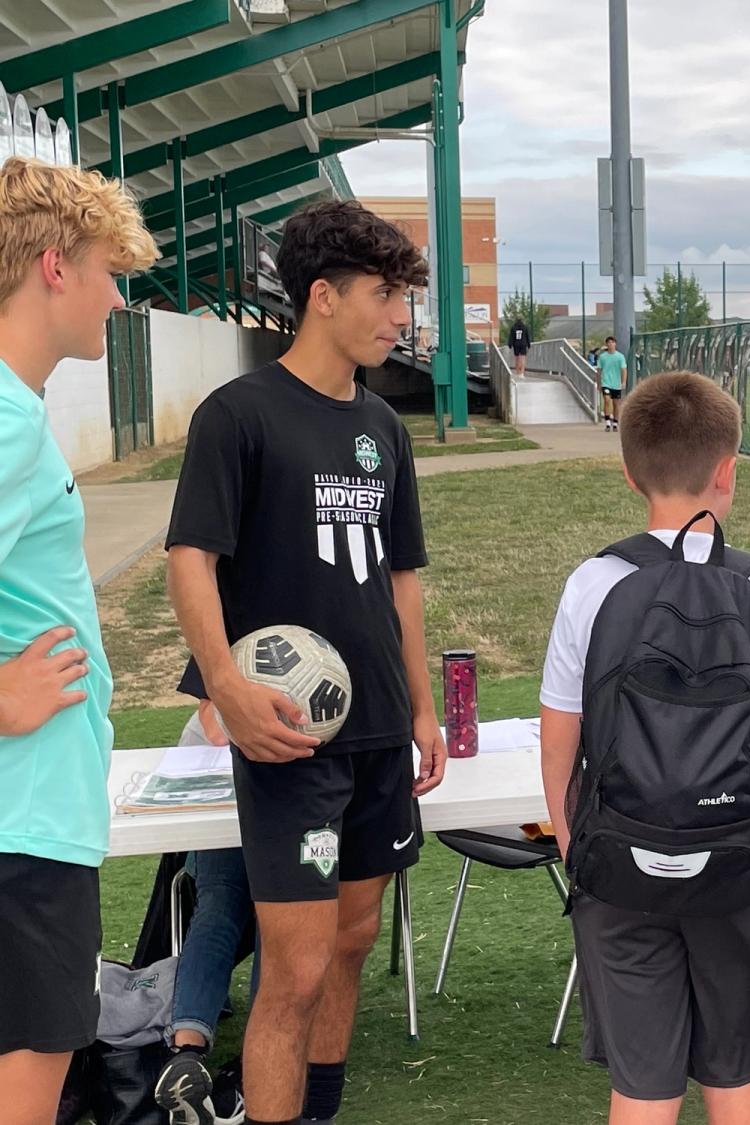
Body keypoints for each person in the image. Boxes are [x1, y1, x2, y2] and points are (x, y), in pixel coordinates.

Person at [165, 200, 445, 1125]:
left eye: (402, 296)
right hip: (292, 744)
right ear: (322, 297)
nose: (399, 316)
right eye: (384, 294)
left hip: (376, 738)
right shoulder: (238, 416)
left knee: (356, 940)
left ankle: (315, 1112)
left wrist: (422, 706)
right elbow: (190, 558)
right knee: (297, 963)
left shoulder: (384, 430)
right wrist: (229, 686)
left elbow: (402, 580)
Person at [538, 372, 750, 1125]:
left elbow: (560, 738)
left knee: (642, 1086)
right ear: (728, 469)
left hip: (618, 865)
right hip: (741, 869)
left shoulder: (593, 582)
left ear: (628, 471)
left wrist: (577, 845)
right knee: (738, 1074)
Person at [0, 156, 157, 1124]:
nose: (116, 296)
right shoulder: (9, 422)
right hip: (24, 830)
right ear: (55, 267)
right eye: (109, 270)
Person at [153, 699, 253, 1125]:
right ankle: (259, 1065)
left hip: (212, 767)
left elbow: (211, 715)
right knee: (288, 911)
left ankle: (187, 1050)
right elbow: (216, 722)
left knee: (219, 904)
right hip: (241, 768)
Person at [597, 335, 626, 432]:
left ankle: (615, 422)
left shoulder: (620, 356)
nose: (610, 344)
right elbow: (599, 370)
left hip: (616, 383)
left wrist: (623, 382)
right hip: (606, 382)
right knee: (607, 400)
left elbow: (624, 370)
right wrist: (599, 383)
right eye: (608, 342)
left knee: (616, 404)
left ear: (615, 344)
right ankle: (607, 422)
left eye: (612, 342)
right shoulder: (602, 357)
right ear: (606, 344)